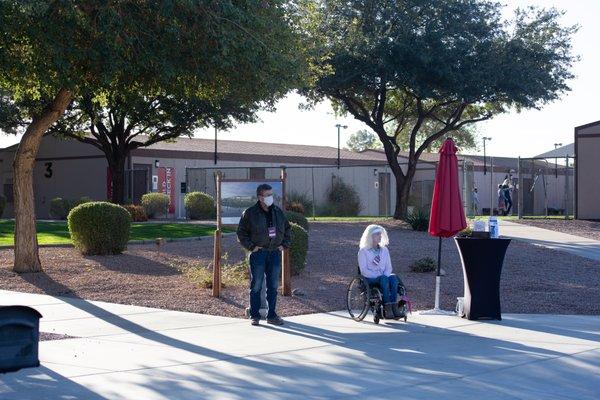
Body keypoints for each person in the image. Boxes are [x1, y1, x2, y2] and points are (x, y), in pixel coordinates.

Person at [237, 184, 291, 326]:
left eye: (271, 194)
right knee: (256, 285)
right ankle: (254, 316)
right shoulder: (250, 213)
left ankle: (271, 315)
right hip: (258, 254)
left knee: (273, 286)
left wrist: (284, 245)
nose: (270, 198)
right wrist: (251, 247)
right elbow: (241, 233)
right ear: (260, 197)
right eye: (267, 195)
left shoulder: (278, 212)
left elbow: (288, 229)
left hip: (274, 253)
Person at [357, 224, 403, 319]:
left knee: (393, 278)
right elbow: (364, 270)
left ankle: (394, 307)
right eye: (377, 234)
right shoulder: (363, 251)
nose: (380, 236)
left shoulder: (384, 250)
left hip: (383, 276)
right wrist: (379, 276)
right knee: (383, 279)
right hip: (370, 278)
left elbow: (389, 267)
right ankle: (387, 308)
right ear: (371, 236)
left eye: (380, 234)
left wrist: (384, 276)